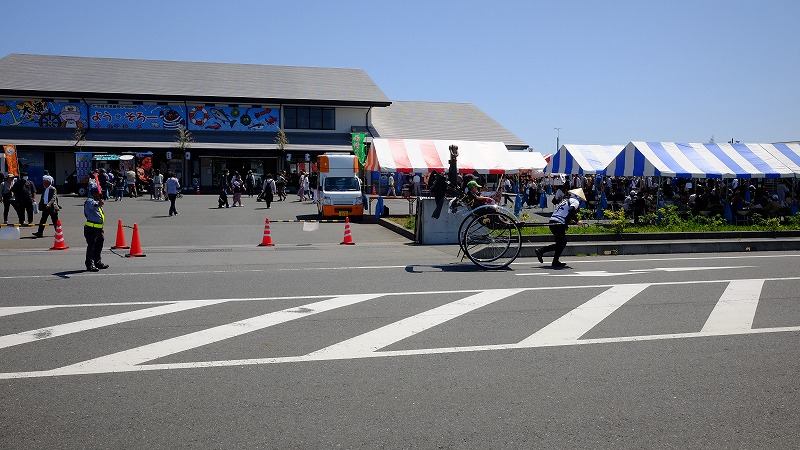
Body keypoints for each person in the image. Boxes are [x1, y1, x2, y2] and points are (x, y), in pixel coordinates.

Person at [535, 188, 585, 268]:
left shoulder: (565, 200)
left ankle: (552, 259)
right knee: (562, 243)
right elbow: (571, 210)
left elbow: (565, 213)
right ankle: (542, 251)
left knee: (560, 243)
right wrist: (577, 221)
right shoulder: (575, 201)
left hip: (552, 221)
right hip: (558, 223)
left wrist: (570, 221)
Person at [83, 185, 108, 272]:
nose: (101, 194)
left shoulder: (97, 200)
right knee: (92, 247)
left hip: (99, 228)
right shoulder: (90, 201)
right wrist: (99, 203)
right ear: (94, 193)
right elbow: (93, 205)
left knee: (99, 246)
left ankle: (97, 262)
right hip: (91, 228)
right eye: (99, 193)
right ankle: (90, 264)